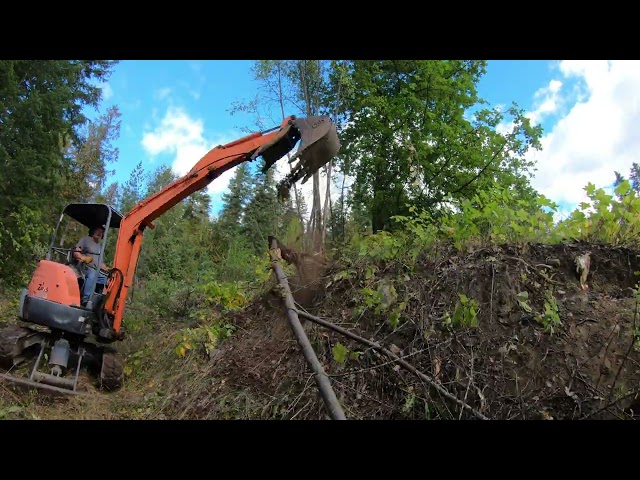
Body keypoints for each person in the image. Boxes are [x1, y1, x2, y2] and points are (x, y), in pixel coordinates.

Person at [73, 225, 110, 304]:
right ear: (93, 230)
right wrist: (83, 258)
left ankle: (98, 301)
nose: (99, 233)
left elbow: (100, 263)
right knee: (93, 273)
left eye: (102, 232)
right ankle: (86, 299)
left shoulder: (100, 246)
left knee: (104, 278)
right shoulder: (85, 240)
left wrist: (108, 269)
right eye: (98, 230)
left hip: (95, 268)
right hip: (84, 266)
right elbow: (76, 253)